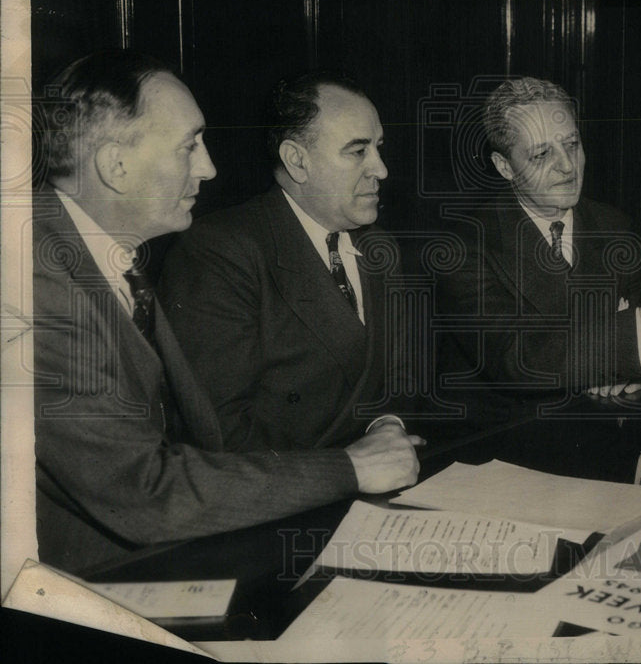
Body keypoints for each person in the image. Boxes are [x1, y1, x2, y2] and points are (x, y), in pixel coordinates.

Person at [32, 51, 420, 575]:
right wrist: (349, 467)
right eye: (189, 146)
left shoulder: (95, 256)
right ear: (115, 166)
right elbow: (145, 492)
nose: (209, 167)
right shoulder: (40, 286)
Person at [436, 77, 641, 418]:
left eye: (571, 144)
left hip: (603, 428)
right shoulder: (466, 245)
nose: (567, 166)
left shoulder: (618, 228)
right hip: (503, 443)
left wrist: (626, 372)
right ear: (504, 167)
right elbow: (520, 359)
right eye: (542, 154)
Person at [159, 73, 414, 452]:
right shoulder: (219, 252)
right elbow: (221, 434)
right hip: (284, 498)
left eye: (378, 147)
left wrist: (388, 425)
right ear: (297, 161)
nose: (381, 169)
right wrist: (350, 467)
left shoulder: (380, 246)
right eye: (358, 151)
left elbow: (400, 378)